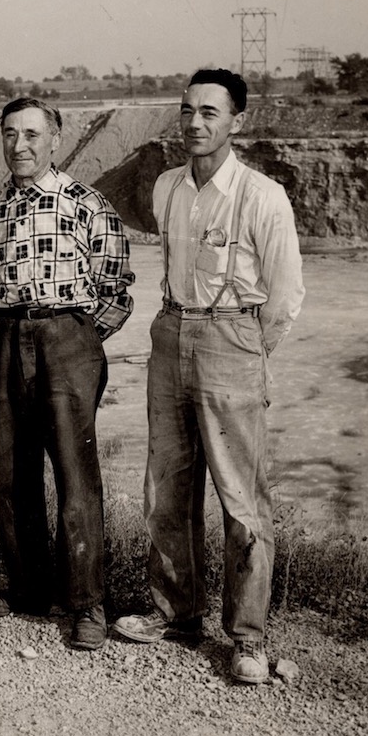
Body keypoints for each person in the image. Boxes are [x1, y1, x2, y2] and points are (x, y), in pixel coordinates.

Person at [114, 68, 305, 683]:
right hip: (170, 333)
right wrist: (185, 331)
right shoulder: (169, 185)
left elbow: (285, 297)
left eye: (211, 113)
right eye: (188, 110)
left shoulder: (261, 195)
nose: (195, 123)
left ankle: (247, 636)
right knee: (166, 487)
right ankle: (175, 612)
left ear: (237, 122)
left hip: (233, 337)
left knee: (241, 497)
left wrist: (246, 348)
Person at [0, 97, 134, 650]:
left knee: (74, 473)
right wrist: (2, 338)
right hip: (1, 338)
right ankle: (28, 591)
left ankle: (85, 603)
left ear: (56, 138)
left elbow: (116, 290)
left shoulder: (87, 205)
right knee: (10, 474)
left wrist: (79, 341)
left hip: (67, 340)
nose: (21, 145)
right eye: (10, 134)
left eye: (33, 134)